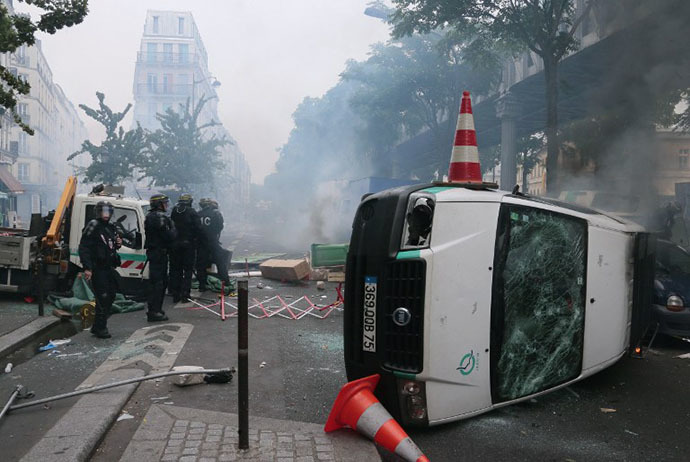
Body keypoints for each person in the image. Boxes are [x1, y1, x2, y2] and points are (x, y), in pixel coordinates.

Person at [78, 201, 122, 339]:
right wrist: (87, 268)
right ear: (98, 212)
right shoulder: (93, 225)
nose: (106, 214)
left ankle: (97, 325)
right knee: (102, 297)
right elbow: (84, 247)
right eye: (103, 211)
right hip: (98, 267)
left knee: (111, 295)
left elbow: (110, 245)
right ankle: (101, 328)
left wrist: (118, 243)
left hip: (109, 267)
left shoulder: (110, 227)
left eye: (108, 211)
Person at [145, 194, 176, 322]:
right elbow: (169, 236)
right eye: (164, 203)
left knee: (156, 282)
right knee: (159, 283)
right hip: (159, 253)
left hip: (154, 252)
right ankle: (154, 311)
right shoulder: (160, 217)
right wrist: (173, 227)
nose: (167, 205)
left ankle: (155, 309)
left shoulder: (149, 216)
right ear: (159, 204)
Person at [169, 193, 201, 302]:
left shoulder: (174, 211)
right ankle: (185, 294)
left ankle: (175, 294)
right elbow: (198, 228)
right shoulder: (192, 212)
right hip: (188, 246)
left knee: (175, 270)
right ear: (190, 202)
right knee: (187, 270)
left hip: (175, 245)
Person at [196, 198, 230, 291]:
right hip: (212, 241)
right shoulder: (215, 213)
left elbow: (195, 229)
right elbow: (220, 226)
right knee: (220, 261)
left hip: (201, 243)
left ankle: (202, 285)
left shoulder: (198, 214)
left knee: (201, 265)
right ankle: (225, 282)